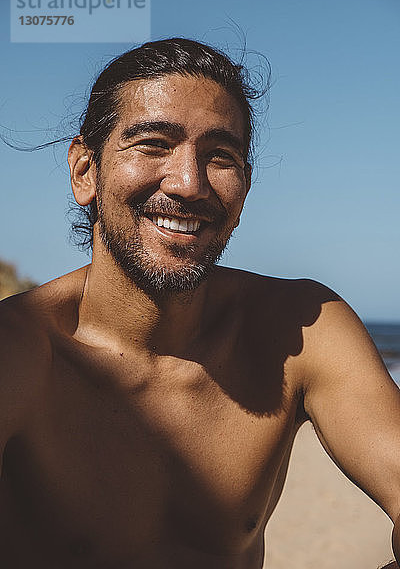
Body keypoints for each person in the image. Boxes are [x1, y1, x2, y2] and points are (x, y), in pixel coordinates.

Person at [0, 38, 399, 569]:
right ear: (85, 172)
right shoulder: (22, 351)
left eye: (220, 156)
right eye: (152, 144)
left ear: (245, 188)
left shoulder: (301, 330)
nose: (190, 184)